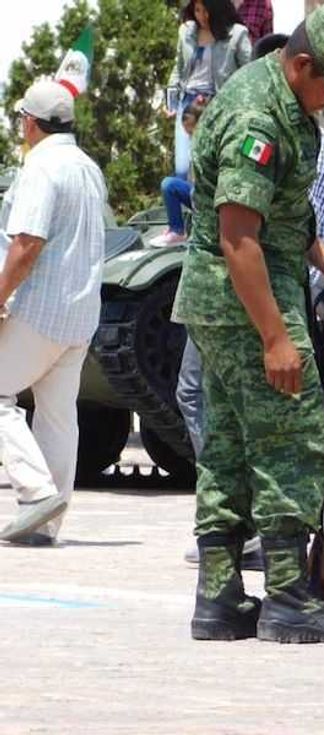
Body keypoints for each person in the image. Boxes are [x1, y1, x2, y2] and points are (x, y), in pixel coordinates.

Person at [170, 3, 324, 644]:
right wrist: (275, 337)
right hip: (244, 300)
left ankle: (220, 598)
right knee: (298, 439)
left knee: (231, 447)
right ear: (301, 65)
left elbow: (284, 212)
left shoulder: (287, 102)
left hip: (235, 297)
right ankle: (290, 598)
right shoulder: (257, 116)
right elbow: (239, 236)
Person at [0, 79, 108, 546]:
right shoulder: (87, 167)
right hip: (81, 315)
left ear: (30, 123)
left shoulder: (41, 167)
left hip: (40, 308)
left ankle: (36, 492)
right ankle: (44, 525)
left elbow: (26, 246)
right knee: (57, 414)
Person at [166, 0, 252, 180]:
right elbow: (178, 67)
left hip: (218, 105)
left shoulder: (236, 34)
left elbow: (249, 73)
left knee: (208, 169)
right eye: (197, 10)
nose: (202, 16)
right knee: (182, 169)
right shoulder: (187, 31)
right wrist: (171, 101)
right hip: (188, 101)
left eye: (207, 11)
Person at [150, 97, 209, 248]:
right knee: (170, 185)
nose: (189, 137)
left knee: (170, 184)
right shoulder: (194, 148)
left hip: (211, 200)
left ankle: (180, 231)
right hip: (198, 197)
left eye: (191, 131)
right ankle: (175, 229)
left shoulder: (211, 145)